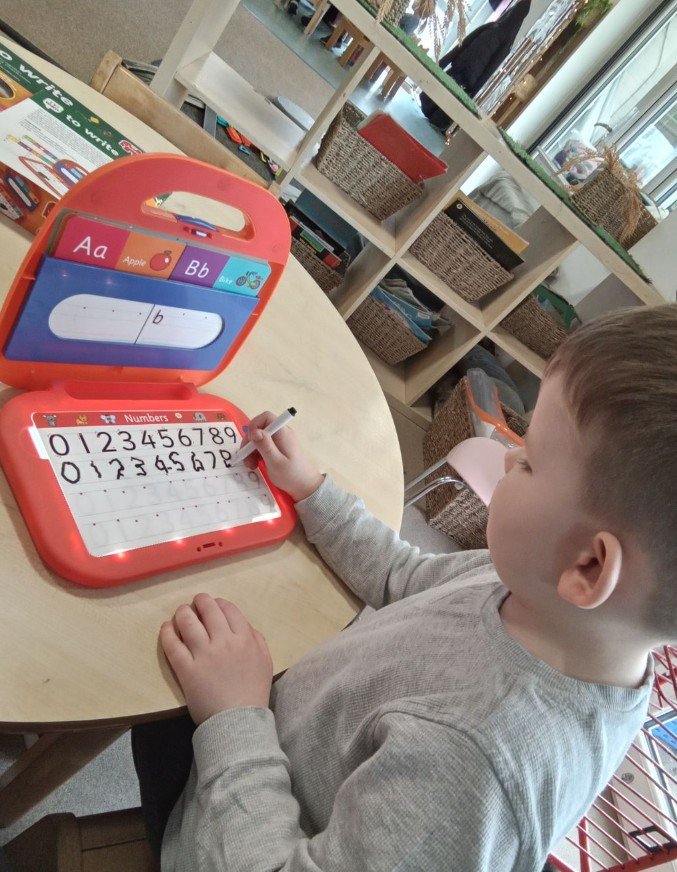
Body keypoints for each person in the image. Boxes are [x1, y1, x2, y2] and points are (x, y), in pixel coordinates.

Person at [133, 304, 677, 871]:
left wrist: (234, 716)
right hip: (271, 739)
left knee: (131, 661)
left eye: (532, 461)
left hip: (224, 824)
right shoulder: (536, 591)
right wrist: (314, 491)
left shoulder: (471, 762)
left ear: (590, 567)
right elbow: (404, 576)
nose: (510, 454)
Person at [420, 0, 531, 130]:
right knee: (433, 97)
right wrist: (442, 62)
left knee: (445, 109)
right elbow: (464, 45)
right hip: (460, 68)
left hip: (468, 80)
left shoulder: (505, 43)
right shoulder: (491, 27)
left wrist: (474, 94)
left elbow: (490, 70)